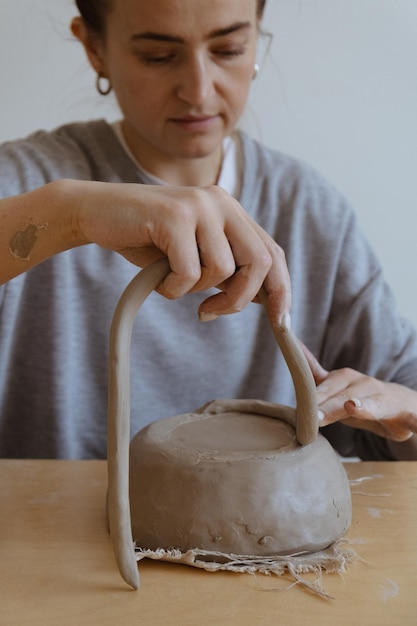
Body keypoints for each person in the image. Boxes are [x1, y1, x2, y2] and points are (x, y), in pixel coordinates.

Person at [0, 0, 416, 460]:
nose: (198, 91)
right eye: (158, 56)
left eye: (229, 49)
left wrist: (403, 412)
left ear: (258, 35)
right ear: (95, 48)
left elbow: (402, 395)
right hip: (49, 530)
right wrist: (71, 215)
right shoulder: (25, 188)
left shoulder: (309, 209)